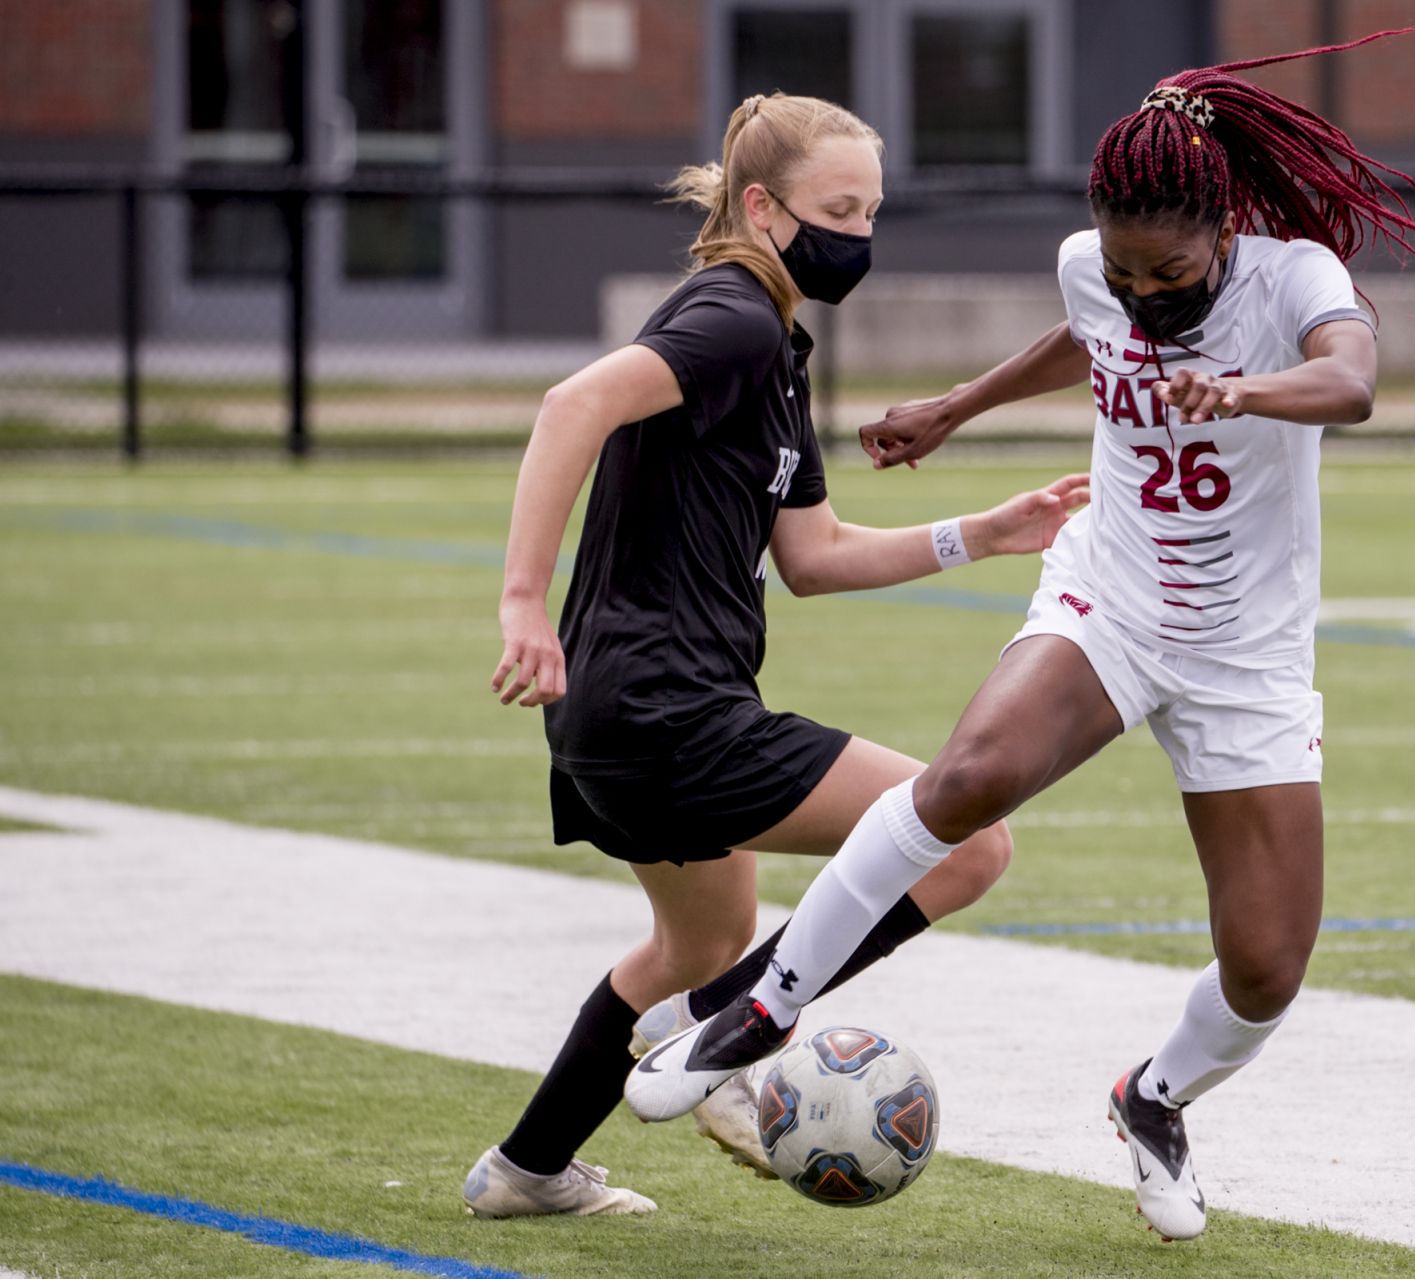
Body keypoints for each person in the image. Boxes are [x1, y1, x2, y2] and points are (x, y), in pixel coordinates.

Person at [623, 34, 1415, 1241]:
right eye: (1124, 271)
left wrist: (1241, 390)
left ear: (1223, 228)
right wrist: (958, 407)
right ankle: (759, 1006)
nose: (1141, 295)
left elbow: (1352, 381)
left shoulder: (1294, 282)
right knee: (966, 779)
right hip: (1111, 600)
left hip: (1245, 654)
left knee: (1266, 970)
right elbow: (1087, 331)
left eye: (1167, 277)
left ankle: (1152, 1098)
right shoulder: (1096, 265)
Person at [461, 91, 1088, 1219]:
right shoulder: (734, 319)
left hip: (620, 712)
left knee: (699, 942)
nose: (860, 233)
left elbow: (814, 553)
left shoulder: (774, 348)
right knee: (967, 841)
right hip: (665, 709)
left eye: (873, 209)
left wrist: (982, 532)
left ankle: (525, 1168)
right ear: (761, 208)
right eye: (837, 208)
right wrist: (521, 601)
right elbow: (571, 405)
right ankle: (726, 1036)